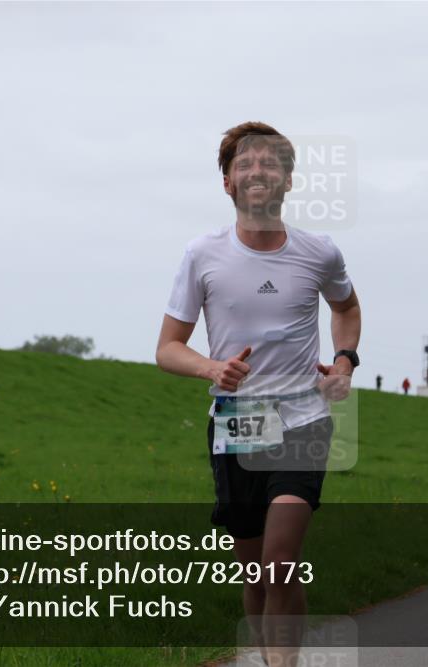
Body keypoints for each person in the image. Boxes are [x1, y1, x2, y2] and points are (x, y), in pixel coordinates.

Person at [155, 122, 361, 666]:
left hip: (303, 419)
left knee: (280, 563)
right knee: (255, 575)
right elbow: (168, 348)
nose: (257, 172)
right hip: (236, 423)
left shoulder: (319, 252)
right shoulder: (203, 256)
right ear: (227, 183)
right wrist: (210, 369)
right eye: (244, 165)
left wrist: (344, 361)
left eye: (269, 163)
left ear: (288, 180)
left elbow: (346, 308)